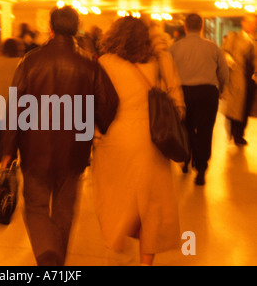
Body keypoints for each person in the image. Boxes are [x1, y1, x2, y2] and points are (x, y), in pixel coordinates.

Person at [0, 6, 119, 266]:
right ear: (76, 30)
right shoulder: (89, 64)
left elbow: (13, 108)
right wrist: (97, 124)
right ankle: (57, 263)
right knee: (65, 210)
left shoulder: (30, 61)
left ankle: (47, 257)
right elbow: (110, 103)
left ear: (50, 29)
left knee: (35, 207)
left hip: (35, 148)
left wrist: (7, 151)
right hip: (75, 150)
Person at [92, 16, 184, 266]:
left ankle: (118, 237)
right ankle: (145, 263)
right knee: (150, 205)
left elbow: (96, 103)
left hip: (115, 138)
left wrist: (94, 136)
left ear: (113, 35)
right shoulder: (157, 60)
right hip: (152, 138)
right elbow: (178, 100)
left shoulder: (104, 62)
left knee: (117, 197)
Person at [170, 14, 229, 185]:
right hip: (207, 93)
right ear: (202, 26)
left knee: (185, 128)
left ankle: (186, 159)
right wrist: (221, 89)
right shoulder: (213, 47)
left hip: (184, 93)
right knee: (205, 131)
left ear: (186, 27)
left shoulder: (175, 48)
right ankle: (201, 168)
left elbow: (169, 72)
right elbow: (224, 72)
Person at [221, 14, 257, 146]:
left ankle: (240, 133)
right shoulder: (234, 37)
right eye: (249, 22)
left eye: (254, 23)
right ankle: (236, 134)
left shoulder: (255, 40)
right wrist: (230, 61)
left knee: (246, 108)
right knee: (237, 107)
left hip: (251, 79)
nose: (252, 26)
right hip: (238, 77)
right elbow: (224, 52)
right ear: (243, 23)